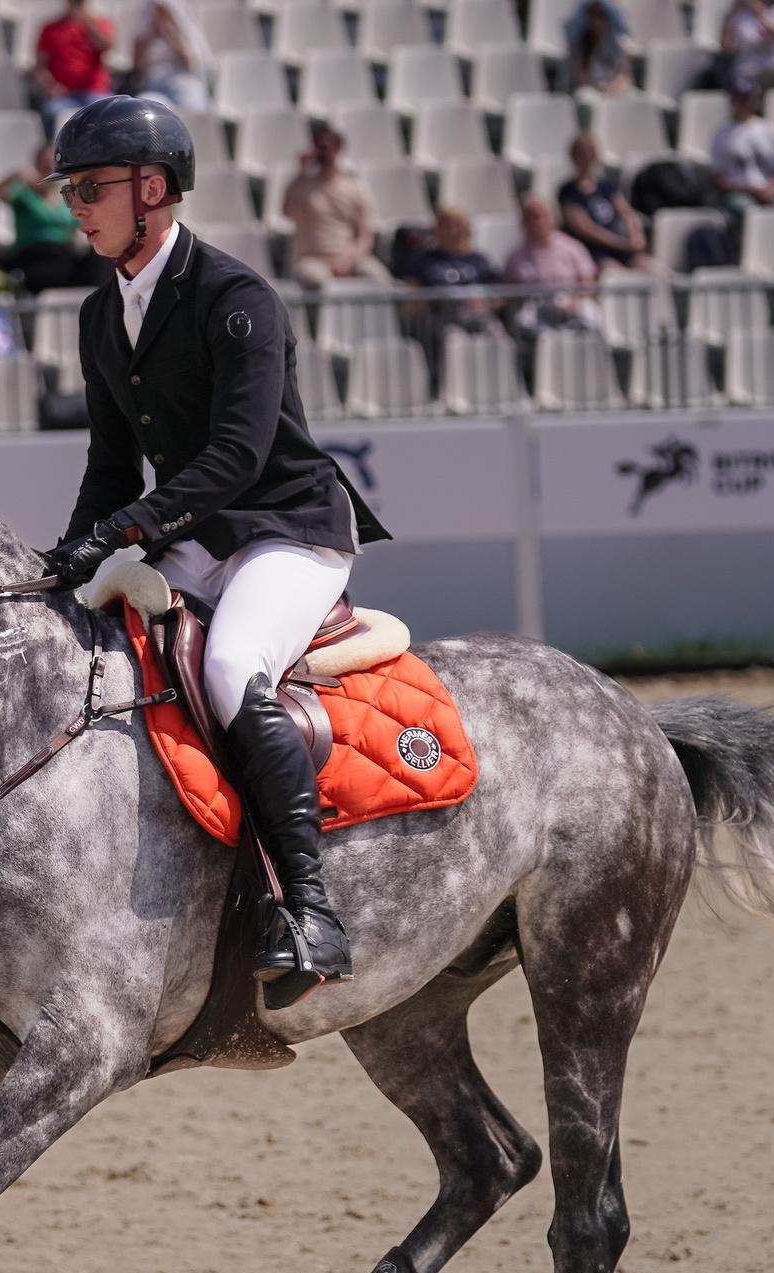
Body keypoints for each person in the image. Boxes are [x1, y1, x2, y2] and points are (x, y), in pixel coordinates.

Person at [40, 97, 388, 1005]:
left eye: (90, 188)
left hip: (288, 528)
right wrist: (68, 558)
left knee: (232, 667)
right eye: (70, 191)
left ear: (152, 189)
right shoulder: (99, 313)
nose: (76, 206)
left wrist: (125, 532)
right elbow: (111, 465)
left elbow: (237, 456)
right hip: (196, 534)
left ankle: (310, 909)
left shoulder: (238, 299)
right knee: (89, 645)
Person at [279, 120, 389, 284]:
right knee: (319, 283)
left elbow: (365, 235)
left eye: (330, 146)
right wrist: (301, 172)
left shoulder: (355, 188)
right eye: (320, 146)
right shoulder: (302, 186)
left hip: (348, 258)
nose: (325, 151)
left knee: (379, 278)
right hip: (312, 259)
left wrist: (349, 259)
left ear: (339, 150)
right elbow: (288, 212)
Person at [0, 143, 112, 291]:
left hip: (65, 255)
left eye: (52, 163)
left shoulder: (66, 196)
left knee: (100, 258)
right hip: (36, 255)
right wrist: (15, 175)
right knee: (52, 265)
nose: (48, 166)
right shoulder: (23, 194)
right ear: (36, 165)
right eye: (44, 163)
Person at [394, 203, 498, 350]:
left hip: (477, 317)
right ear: (436, 229)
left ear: (465, 228)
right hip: (441, 321)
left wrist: (484, 299)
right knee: (455, 340)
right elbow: (411, 300)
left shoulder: (479, 260)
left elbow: (499, 298)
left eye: (457, 225)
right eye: (446, 225)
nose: (452, 230)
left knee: (497, 336)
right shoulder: (423, 261)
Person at [500, 194, 599, 336]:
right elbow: (509, 296)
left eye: (541, 216)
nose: (537, 222)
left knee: (589, 313)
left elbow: (588, 285)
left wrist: (573, 302)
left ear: (552, 218)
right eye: (530, 217)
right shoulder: (514, 257)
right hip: (535, 319)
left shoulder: (572, 248)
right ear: (523, 221)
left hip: (570, 310)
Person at [556, 132, 651, 270]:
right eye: (581, 154)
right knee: (612, 271)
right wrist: (622, 243)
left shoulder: (606, 186)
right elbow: (586, 229)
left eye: (590, 153)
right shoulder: (568, 192)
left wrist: (637, 236)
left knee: (650, 266)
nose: (586, 158)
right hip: (592, 252)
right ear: (573, 157)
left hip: (620, 248)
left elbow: (628, 214)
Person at [710, 79, 774, 221]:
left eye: (747, 98)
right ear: (731, 101)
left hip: (769, 192)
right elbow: (718, 177)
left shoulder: (767, 129)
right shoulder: (721, 133)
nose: (744, 103)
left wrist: (770, 191)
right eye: (739, 98)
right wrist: (748, 191)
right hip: (738, 193)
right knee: (746, 210)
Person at [34, 0, 114, 137]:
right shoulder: (50, 29)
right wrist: (52, 87)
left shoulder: (99, 24)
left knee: (108, 112)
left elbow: (107, 45)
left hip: (94, 90)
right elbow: (39, 67)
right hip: (64, 95)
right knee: (52, 111)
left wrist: (85, 20)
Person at [131, 0, 210, 113]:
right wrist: (148, 40)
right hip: (155, 87)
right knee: (143, 108)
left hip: (183, 84)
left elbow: (191, 64)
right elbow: (136, 68)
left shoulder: (185, 34)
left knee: (193, 107)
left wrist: (172, 37)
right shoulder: (143, 37)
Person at [718, 0, 774, 93]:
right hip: (748, 72)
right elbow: (726, 48)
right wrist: (732, 15)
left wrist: (760, 14)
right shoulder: (739, 17)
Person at [565, 0, 631, 98]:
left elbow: (624, 75)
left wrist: (612, 88)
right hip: (592, 93)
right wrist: (599, 89)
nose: (596, 20)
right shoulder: (581, 45)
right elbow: (580, 79)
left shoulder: (619, 44)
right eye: (592, 14)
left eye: (601, 14)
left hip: (614, 92)